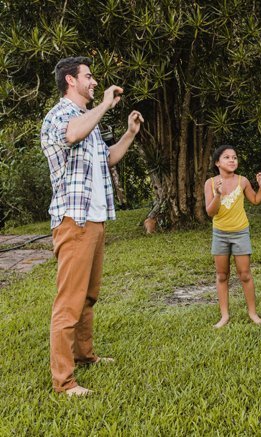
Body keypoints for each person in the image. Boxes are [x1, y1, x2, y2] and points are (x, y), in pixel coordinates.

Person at [41, 56, 144, 396]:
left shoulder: (88, 121)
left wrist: (130, 133)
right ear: (71, 81)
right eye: (89, 76)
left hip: (95, 220)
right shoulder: (61, 116)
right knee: (69, 302)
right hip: (74, 221)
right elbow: (72, 135)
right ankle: (64, 381)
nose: (95, 81)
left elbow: (108, 157)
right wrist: (103, 105)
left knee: (88, 296)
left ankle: (85, 356)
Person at [204, 145, 261, 328]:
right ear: (217, 162)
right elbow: (210, 212)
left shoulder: (243, 181)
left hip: (241, 233)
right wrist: (217, 195)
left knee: (245, 274)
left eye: (234, 157)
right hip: (220, 235)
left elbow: (255, 200)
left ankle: (253, 314)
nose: (232, 160)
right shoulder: (211, 183)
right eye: (227, 157)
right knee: (222, 275)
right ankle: (224, 316)